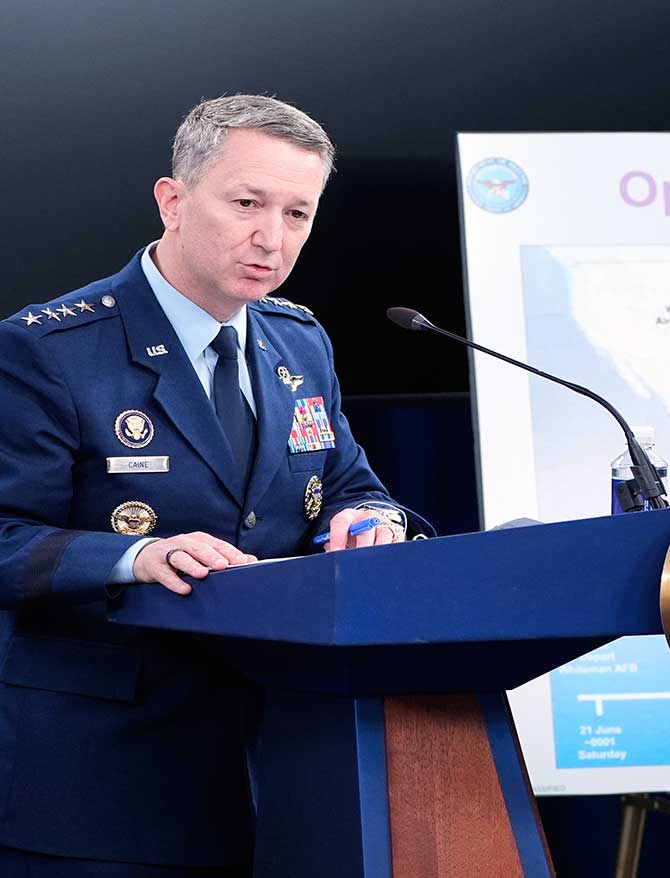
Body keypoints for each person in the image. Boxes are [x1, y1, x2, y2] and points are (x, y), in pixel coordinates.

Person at [0, 95, 431, 875]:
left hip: (293, 767)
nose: (273, 238)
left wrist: (369, 517)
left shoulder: (298, 340)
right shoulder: (51, 351)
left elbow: (348, 483)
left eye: (298, 213)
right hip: (102, 786)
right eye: (247, 203)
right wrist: (136, 558)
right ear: (172, 200)